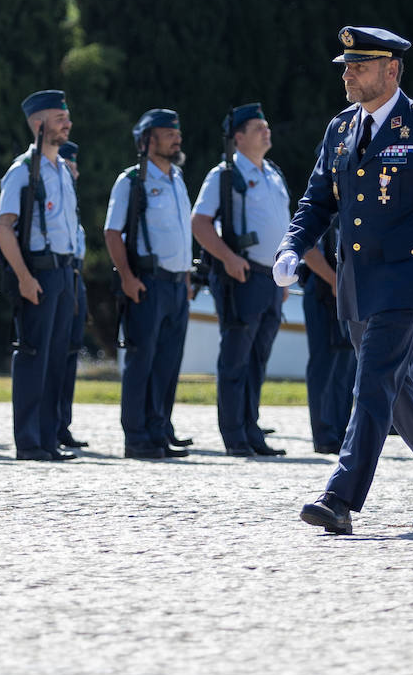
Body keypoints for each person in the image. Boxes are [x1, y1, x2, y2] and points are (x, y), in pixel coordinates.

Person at [275, 25, 413, 535]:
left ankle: (340, 497)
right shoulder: (341, 128)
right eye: (346, 65)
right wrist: (292, 244)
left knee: (371, 382)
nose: (348, 73)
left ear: (392, 70)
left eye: (360, 65)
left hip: (406, 276)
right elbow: (318, 199)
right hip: (356, 278)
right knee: (393, 388)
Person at [192, 102, 291, 457]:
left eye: (266, 126)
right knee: (236, 358)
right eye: (258, 128)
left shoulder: (273, 174)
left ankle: (251, 429)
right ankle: (234, 436)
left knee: (257, 359)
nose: (267, 131)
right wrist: (229, 258)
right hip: (241, 274)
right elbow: (200, 223)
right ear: (238, 137)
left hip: (269, 278)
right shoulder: (224, 175)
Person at [0, 90, 81, 462]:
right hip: (39, 273)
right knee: (33, 357)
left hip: (64, 273)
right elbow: (4, 227)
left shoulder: (61, 168)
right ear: (38, 125)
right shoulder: (22, 170)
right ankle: (29, 441)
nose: (67, 124)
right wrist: (24, 277)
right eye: (59, 118)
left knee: (57, 359)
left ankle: (48, 438)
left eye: (66, 117)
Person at [105, 107, 194, 459]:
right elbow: (113, 231)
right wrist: (126, 277)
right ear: (147, 140)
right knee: (142, 361)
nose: (177, 138)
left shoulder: (177, 178)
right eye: (168, 133)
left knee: (168, 363)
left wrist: (186, 278)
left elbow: (183, 235)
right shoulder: (132, 180)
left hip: (175, 285)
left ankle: (159, 429)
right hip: (147, 282)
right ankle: (138, 436)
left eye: (177, 132)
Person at [298, 206, 355, 454]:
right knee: (324, 362)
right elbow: (308, 249)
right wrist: (335, 281)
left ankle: (340, 431)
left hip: (348, 292)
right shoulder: (319, 205)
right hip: (323, 290)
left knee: (346, 363)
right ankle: (324, 435)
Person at [57, 140, 89, 450]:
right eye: (70, 165)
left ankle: (61, 423)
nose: (75, 171)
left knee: (69, 355)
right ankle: (51, 424)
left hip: (75, 278)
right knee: (55, 355)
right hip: (63, 275)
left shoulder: (71, 205)